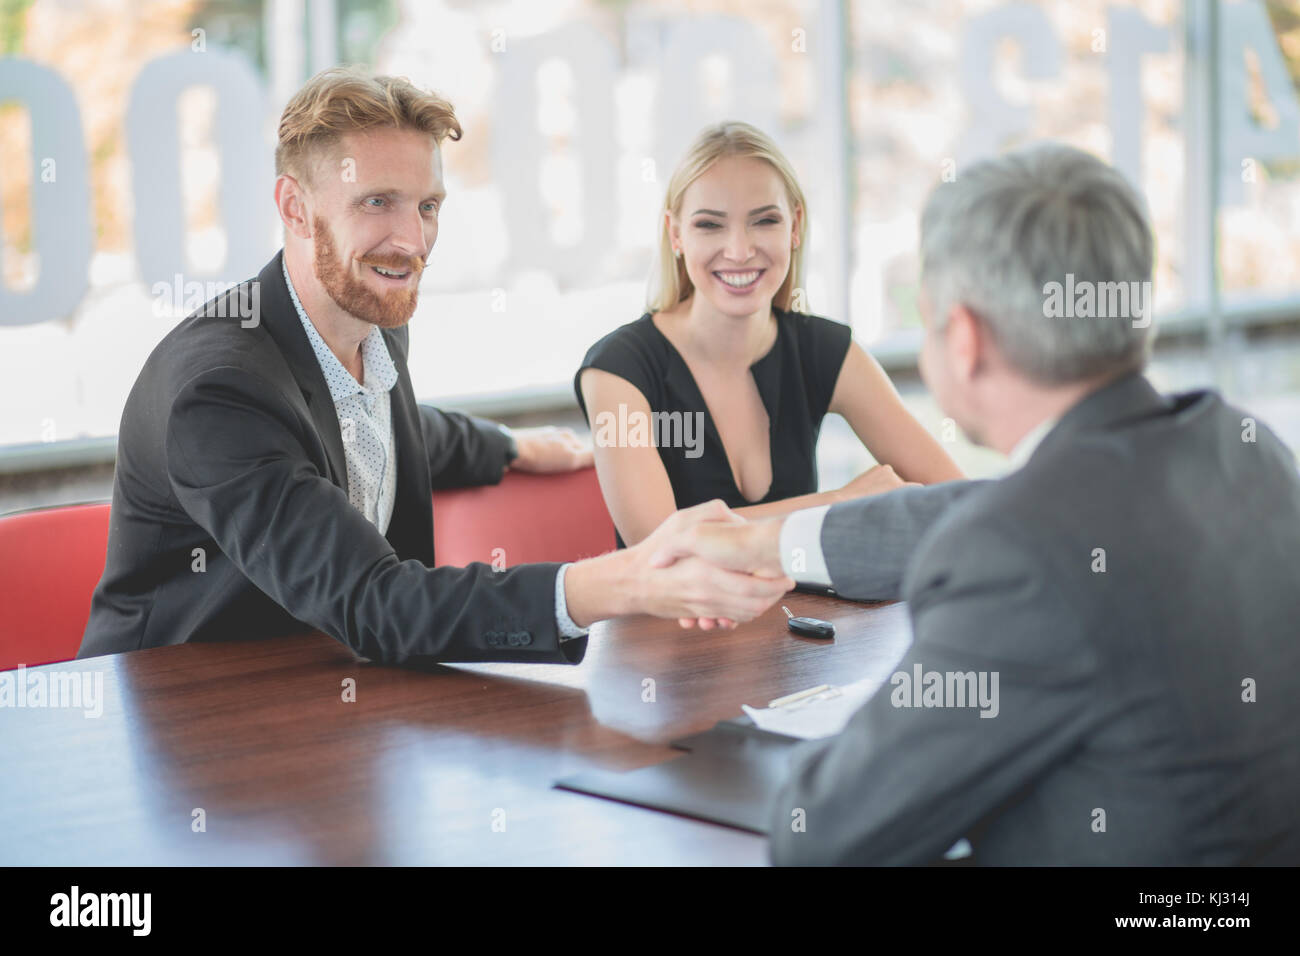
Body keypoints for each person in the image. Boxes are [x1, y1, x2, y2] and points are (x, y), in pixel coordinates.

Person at [651, 142, 1300, 864]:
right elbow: (992, 511)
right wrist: (764, 542)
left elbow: (828, 834)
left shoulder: (1024, 561)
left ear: (962, 338)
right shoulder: (1245, 451)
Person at [79, 68, 792, 665]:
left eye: (427, 205)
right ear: (295, 208)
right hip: (179, 735)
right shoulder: (219, 393)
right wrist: (623, 581)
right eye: (376, 203)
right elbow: (374, 602)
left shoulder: (371, 321)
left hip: (328, 707)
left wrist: (508, 446)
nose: (412, 240)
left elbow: (381, 424)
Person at [575, 121, 962, 547]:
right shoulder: (616, 372)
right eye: (709, 225)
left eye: (764, 221)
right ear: (676, 234)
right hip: (661, 616)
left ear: (794, 226)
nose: (739, 250)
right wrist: (838, 504)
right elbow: (659, 545)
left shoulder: (824, 351)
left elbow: (957, 501)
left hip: (797, 613)